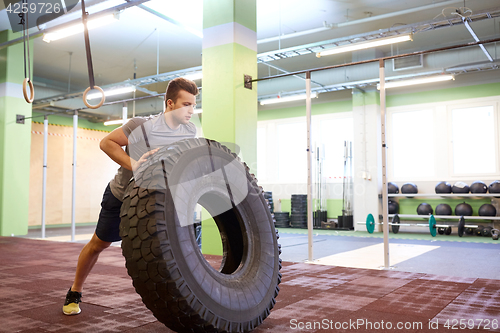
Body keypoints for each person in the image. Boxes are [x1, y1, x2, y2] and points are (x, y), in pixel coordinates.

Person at [63, 77, 199, 315]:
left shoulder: (189, 131)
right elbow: (107, 143)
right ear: (169, 103)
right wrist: (134, 164)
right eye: (186, 104)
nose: (191, 110)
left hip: (155, 201)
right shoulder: (140, 126)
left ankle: (183, 297)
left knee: (170, 248)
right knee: (99, 244)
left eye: (193, 105)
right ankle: (75, 290)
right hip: (121, 196)